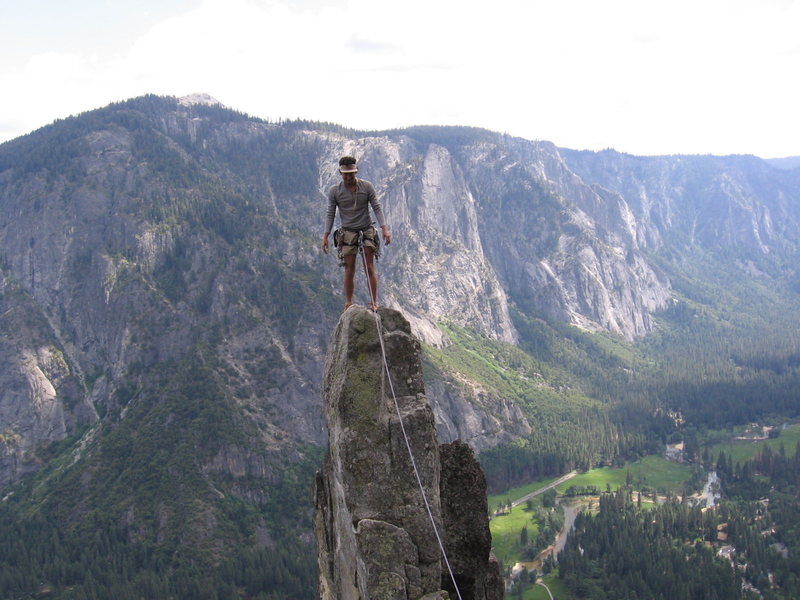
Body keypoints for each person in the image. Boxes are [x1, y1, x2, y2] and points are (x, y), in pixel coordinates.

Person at [322, 156, 391, 311]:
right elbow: (330, 214)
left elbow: (376, 207)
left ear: (356, 172)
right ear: (340, 172)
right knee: (349, 268)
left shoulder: (366, 187)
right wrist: (325, 235)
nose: (348, 177)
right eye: (346, 174)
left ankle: (374, 302)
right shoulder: (335, 191)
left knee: (369, 266)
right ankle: (348, 302)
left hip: (366, 229)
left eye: (351, 174)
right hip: (347, 232)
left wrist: (384, 229)